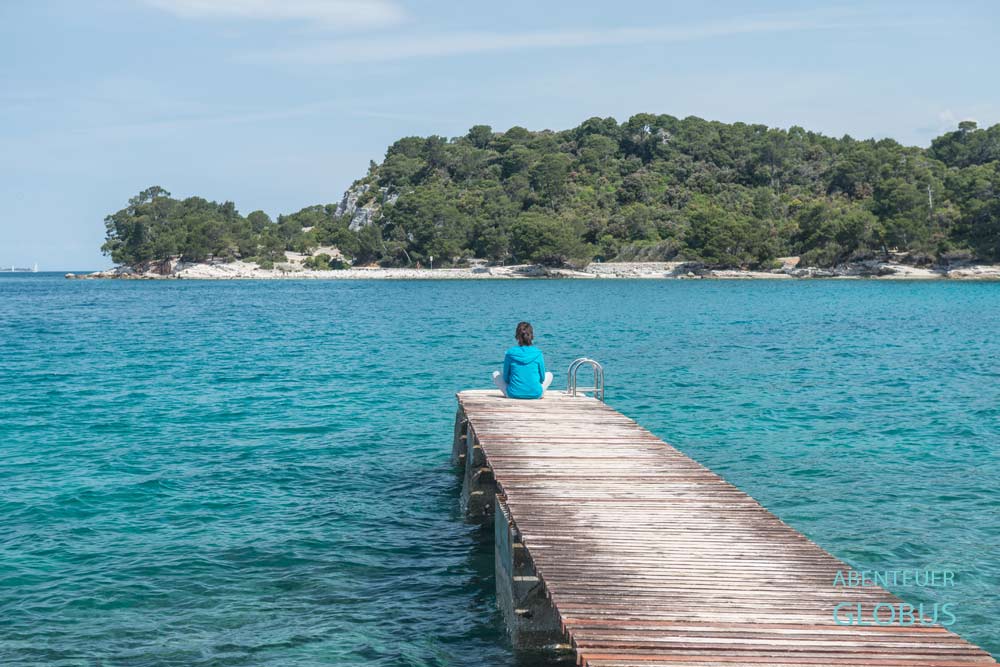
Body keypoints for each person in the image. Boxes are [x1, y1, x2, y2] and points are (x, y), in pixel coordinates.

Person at [492, 321, 553, 399]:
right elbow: (542, 378)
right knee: (549, 374)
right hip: (535, 394)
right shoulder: (538, 353)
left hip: (513, 394)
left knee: (495, 374)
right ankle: (537, 393)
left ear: (517, 336)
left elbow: (506, 378)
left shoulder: (510, 353)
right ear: (532, 336)